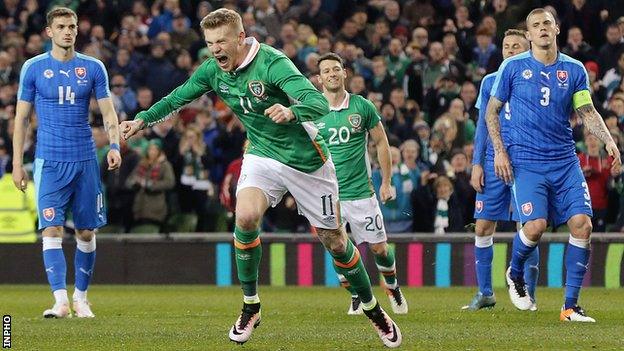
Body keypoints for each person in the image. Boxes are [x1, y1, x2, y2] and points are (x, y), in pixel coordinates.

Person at [120, 8, 401, 348]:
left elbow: (318, 104)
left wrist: (291, 111)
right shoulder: (212, 70)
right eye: (210, 43)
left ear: (239, 38)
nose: (215, 49)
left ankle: (373, 310)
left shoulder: (272, 63)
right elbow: (179, 96)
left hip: (307, 161)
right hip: (261, 154)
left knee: (337, 242)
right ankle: (251, 305)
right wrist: (142, 120)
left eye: (221, 41)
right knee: (246, 216)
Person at [485, 8, 622, 322]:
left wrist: (608, 139)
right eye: (536, 25)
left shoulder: (573, 70)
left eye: (547, 23)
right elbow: (492, 112)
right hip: (527, 162)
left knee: (582, 225)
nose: (542, 28)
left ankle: (570, 307)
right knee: (535, 227)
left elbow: (586, 111)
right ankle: (515, 272)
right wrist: (499, 152)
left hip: (564, 161)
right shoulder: (512, 67)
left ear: (557, 29)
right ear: (529, 34)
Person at [11, 7, 122, 319]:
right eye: (61, 26)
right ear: (49, 32)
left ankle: (81, 298)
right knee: (51, 228)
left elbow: (108, 112)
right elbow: (21, 120)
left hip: (85, 159)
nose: (68, 31)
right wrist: (18, 164)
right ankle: (60, 301)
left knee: (86, 233)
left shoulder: (93, 67)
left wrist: (114, 145)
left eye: (71, 26)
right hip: (49, 161)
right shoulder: (33, 68)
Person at [315, 52, 408, 316]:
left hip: (360, 192)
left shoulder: (362, 107)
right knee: (338, 248)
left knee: (379, 248)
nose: (332, 74)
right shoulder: (311, 110)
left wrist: (386, 182)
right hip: (327, 196)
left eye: (336, 69)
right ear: (319, 79)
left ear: (345, 73)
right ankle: (356, 293)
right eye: (326, 71)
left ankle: (391, 285)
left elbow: (381, 142)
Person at [463, 29, 540, 311]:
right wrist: (476, 164)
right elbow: (482, 126)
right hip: (493, 163)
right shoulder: (490, 81)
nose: (509, 50)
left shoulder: (535, 80)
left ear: (527, 48)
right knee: (483, 225)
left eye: (515, 46)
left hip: (525, 163)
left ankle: (528, 295)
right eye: (506, 46)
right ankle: (485, 293)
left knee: (528, 226)